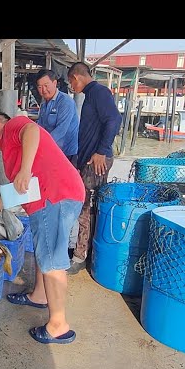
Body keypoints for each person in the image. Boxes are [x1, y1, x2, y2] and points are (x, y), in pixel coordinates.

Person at [0, 112, 84, 345]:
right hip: (54, 197)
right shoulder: (14, 151)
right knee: (46, 253)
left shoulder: (13, 126)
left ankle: (58, 326)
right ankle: (40, 295)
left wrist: (25, 169)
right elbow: (15, 194)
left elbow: (32, 130)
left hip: (55, 196)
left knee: (52, 261)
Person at [66, 61, 122, 275]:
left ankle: (81, 256)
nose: (72, 88)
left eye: (71, 83)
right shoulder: (90, 95)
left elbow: (114, 119)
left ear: (76, 77)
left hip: (95, 161)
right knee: (85, 206)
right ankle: (85, 252)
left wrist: (101, 150)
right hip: (87, 160)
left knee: (86, 209)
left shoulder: (98, 92)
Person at [35, 69, 79, 165]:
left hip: (68, 153)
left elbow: (61, 130)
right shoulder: (43, 104)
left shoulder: (65, 102)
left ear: (54, 83)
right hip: (52, 151)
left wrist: (41, 145)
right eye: (40, 87)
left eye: (46, 86)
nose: (44, 90)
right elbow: (41, 127)